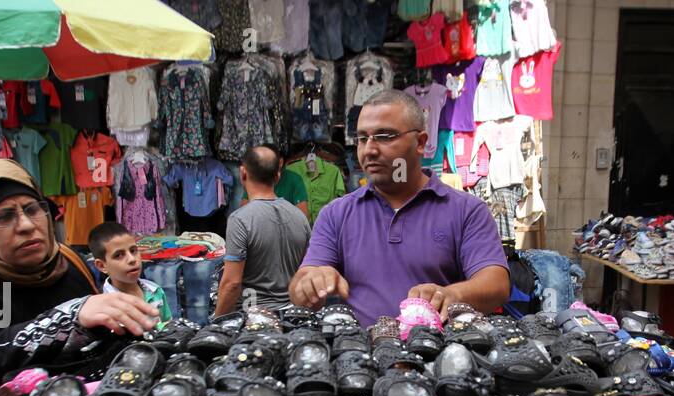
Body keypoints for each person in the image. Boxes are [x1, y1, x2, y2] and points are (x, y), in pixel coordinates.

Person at [288, 90, 509, 326]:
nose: (370, 150)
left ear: (421, 142)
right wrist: (310, 283)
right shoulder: (336, 214)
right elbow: (300, 285)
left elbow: (496, 283)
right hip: (359, 356)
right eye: (363, 138)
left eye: (385, 136)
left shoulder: (466, 210)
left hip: (439, 356)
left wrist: (454, 295)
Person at [0, 157, 159, 392]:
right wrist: (69, 317)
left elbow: (98, 332)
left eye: (32, 209)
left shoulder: (68, 261)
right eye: (3, 216)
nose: (26, 225)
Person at [215, 146, 311, 315]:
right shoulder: (300, 217)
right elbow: (306, 272)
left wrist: (217, 322)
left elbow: (232, 284)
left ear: (243, 173)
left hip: (253, 318)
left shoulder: (240, 220)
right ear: (278, 175)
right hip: (293, 316)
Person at [89, 221, 172, 326]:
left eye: (133, 251)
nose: (132, 259)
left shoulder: (155, 291)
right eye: (119, 255)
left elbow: (169, 326)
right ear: (102, 266)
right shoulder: (104, 309)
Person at [239, 143, 309, 219]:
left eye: (270, 163)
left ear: (280, 162)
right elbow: (244, 213)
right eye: (262, 162)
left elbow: (303, 216)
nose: (265, 167)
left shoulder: (294, 179)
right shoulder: (255, 177)